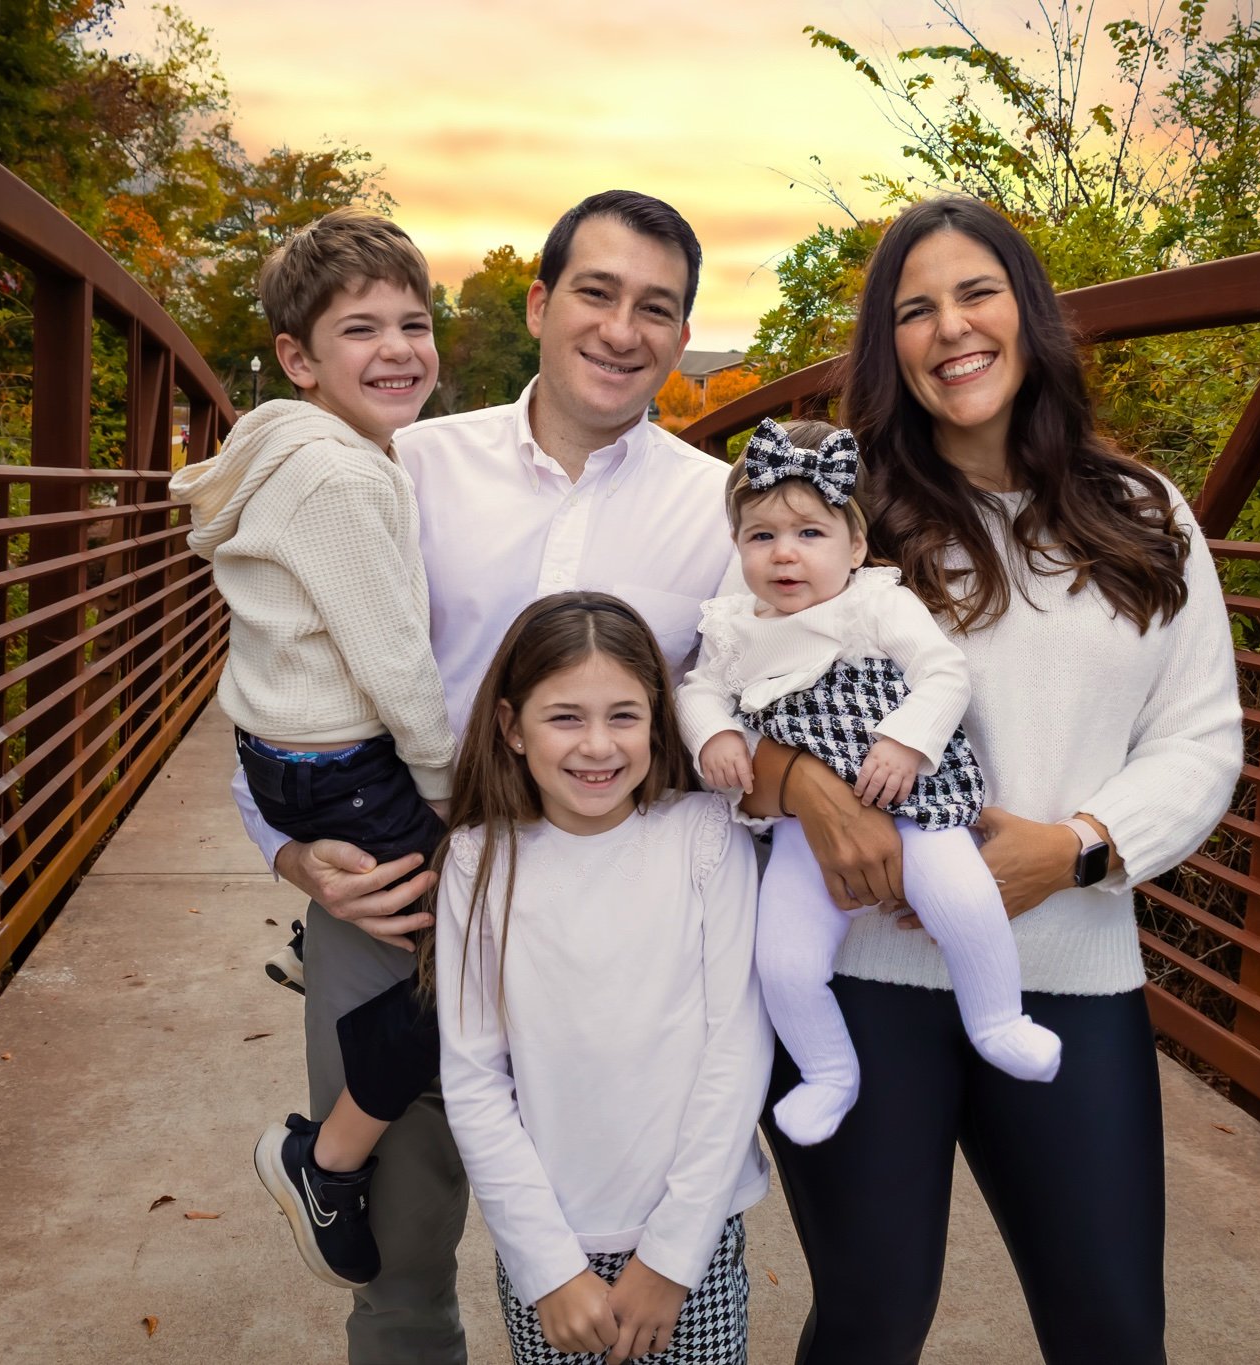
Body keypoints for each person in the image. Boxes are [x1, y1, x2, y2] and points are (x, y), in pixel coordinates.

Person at [232, 190, 737, 1364]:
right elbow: (274, 678)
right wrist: (292, 853)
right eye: (596, 293)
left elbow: (755, 704)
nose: (622, 330)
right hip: (393, 903)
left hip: (607, 943)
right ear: (538, 301)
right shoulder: (395, 468)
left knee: (592, 1256)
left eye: (656, 309)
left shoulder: (721, 511)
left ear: (680, 332)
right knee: (400, 1274)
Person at [744, 197, 1243, 1363]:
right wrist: (791, 781)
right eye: (912, 311)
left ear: (1027, 314)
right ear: (887, 349)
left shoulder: (1142, 513)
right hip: (862, 972)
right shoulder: (837, 518)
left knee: (1112, 1332)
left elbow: (1201, 738)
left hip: (1069, 971)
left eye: (975, 294)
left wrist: (1075, 844)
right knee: (868, 1325)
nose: (949, 329)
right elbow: (715, 684)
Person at [167, 209, 452, 1289]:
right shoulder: (340, 478)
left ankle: (315, 950)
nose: (395, 350)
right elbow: (393, 664)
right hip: (351, 764)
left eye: (412, 324)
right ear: (298, 358)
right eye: (359, 331)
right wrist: (449, 792)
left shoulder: (295, 448)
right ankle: (320, 1161)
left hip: (293, 759)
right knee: (479, 966)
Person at [677, 417, 1060, 1148]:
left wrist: (907, 740)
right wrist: (717, 733)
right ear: (738, 549)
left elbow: (944, 671)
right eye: (761, 537)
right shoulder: (733, 627)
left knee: (966, 900)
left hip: (913, 799)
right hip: (806, 830)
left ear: (854, 546)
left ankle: (998, 1019)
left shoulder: (875, 602)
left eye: (811, 534)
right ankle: (828, 1072)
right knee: (783, 958)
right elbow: (697, 691)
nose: (785, 554)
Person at [437, 592, 771, 1365]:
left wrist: (671, 1258)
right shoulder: (477, 862)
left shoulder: (706, 839)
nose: (597, 745)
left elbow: (737, 1049)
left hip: (693, 1239)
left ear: (659, 720)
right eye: (564, 717)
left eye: (624, 715)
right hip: (550, 1246)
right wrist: (548, 1268)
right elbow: (475, 1075)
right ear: (511, 727)